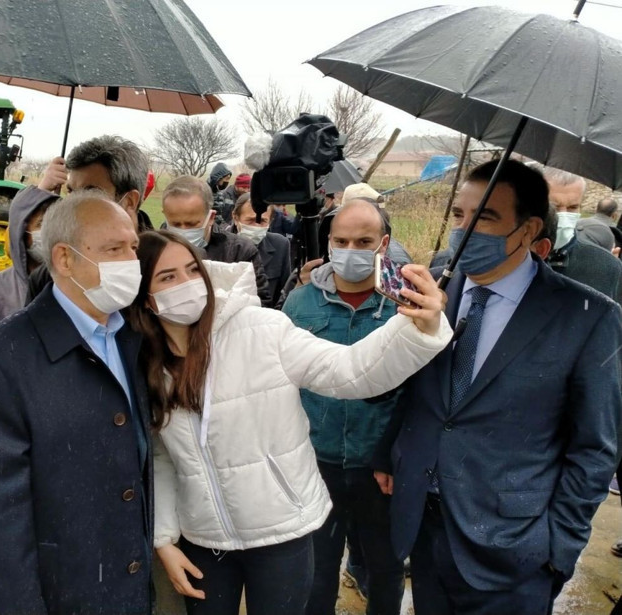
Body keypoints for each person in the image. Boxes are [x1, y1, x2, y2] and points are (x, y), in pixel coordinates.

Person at [127, 229, 452, 615]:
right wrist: (164, 539)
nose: (188, 284)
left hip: (281, 530)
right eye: (168, 277)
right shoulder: (146, 363)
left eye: (193, 270)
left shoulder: (263, 329)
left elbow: (349, 370)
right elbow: (163, 458)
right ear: (146, 298)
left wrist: (418, 326)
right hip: (204, 537)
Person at [373, 160, 622, 615]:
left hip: (515, 551)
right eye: (458, 216)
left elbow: (595, 449)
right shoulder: (435, 289)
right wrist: (390, 452)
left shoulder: (587, 316)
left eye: (484, 217)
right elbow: (412, 393)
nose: (463, 230)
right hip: (424, 529)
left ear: (528, 230)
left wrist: (556, 550)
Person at [0, 191, 153, 614]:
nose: (130, 262)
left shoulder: (130, 335)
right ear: (64, 259)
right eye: (113, 249)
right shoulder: (1, 362)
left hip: (129, 587)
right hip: (63, 593)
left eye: (133, 247)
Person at [282, 201, 405, 615]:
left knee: (384, 568)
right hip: (318, 462)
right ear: (329, 242)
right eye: (342, 240)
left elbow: (418, 388)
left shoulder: (404, 304)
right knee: (317, 572)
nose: (351, 249)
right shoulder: (300, 304)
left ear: (382, 244)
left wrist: (394, 452)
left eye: (364, 241)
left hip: (381, 468)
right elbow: (282, 382)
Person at [24, 135, 150, 300]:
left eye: (90, 192)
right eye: (71, 191)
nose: (74, 204)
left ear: (129, 201)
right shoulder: (48, 277)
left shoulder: (166, 266)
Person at [162, 175, 272, 307]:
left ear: (211, 217)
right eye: (175, 224)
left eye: (191, 224)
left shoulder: (240, 251)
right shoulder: (155, 250)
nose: (183, 230)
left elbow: (260, 304)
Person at [541, 166, 622, 301]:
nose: (563, 215)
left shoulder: (606, 267)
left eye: (572, 207)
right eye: (553, 207)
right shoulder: (507, 254)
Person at [0, 188, 53, 322]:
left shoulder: (78, 285)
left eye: (54, 223)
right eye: (41, 224)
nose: (52, 232)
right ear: (21, 232)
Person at [232, 193, 291, 308]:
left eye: (263, 221)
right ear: (235, 218)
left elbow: (283, 292)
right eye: (250, 220)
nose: (256, 226)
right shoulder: (219, 245)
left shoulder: (280, 245)